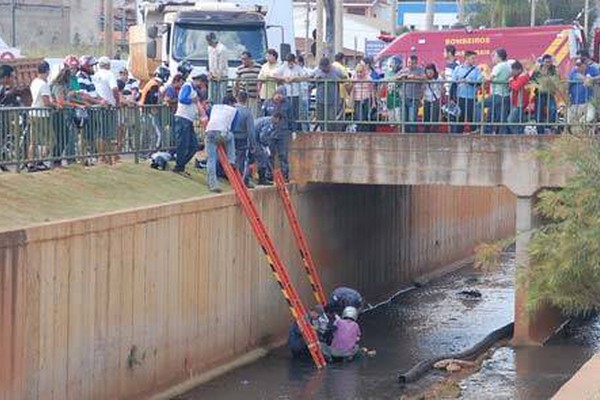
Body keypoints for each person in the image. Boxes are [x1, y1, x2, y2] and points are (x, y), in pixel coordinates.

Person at [172, 72, 205, 176]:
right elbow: (181, 99)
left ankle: (181, 165)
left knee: (194, 145)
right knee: (183, 144)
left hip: (188, 120)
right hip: (183, 118)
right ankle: (179, 167)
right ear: (199, 81)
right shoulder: (187, 86)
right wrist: (192, 100)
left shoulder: (194, 89)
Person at [204, 94, 238, 193]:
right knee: (231, 136)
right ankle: (231, 160)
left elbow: (208, 114)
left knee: (211, 159)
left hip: (210, 132)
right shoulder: (233, 111)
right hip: (222, 133)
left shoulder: (215, 107)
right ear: (231, 103)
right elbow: (233, 127)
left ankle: (213, 184)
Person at [262, 87, 293, 180]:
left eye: (281, 94)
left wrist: (293, 130)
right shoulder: (267, 103)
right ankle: (269, 175)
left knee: (283, 155)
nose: (279, 96)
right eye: (278, 94)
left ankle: (285, 175)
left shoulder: (288, 104)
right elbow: (263, 117)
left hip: (282, 133)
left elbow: (291, 118)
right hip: (270, 133)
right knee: (269, 154)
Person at [94, 56, 121, 164]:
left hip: (97, 105)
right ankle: (108, 157)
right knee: (109, 133)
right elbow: (114, 88)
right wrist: (117, 101)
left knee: (100, 133)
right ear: (108, 65)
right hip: (109, 106)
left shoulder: (95, 75)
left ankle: (102, 156)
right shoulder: (110, 74)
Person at [29, 61, 55, 169]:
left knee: (33, 141)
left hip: (33, 112)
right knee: (51, 140)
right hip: (42, 115)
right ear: (47, 71)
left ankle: (31, 163)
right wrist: (55, 105)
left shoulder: (34, 82)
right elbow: (46, 102)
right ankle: (42, 162)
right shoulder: (44, 84)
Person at [450, 50, 483, 134]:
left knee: (472, 119)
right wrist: (451, 98)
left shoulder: (476, 70)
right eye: (472, 58)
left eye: (475, 58)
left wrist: (468, 81)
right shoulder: (458, 69)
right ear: (466, 58)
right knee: (459, 119)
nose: (474, 60)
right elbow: (453, 84)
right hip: (459, 98)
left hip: (471, 98)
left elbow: (479, 82)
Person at [140, 65, 170, 150]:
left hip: (146, 111)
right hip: (148, 111)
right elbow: (153, 99)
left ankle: (149, 150)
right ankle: (153, 150)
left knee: (150, 132)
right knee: (155, 132)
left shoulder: (152, 83)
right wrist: (156, 107)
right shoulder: (154, 85)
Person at [310, 57, 345, 131]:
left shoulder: (336, 70)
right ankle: (323, 133)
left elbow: (345, 78)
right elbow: (310, 78)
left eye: (325, 68)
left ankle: (331, 134)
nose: (323, 70)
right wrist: (315, 79)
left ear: (329, 65)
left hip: (332, 100)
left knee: (331, 120)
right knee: (321, 119)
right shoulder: (317, 70)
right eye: (321, 68)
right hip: (320, 99)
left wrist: (336, 79)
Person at [50, 67, 77, 166]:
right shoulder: (59, 86)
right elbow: (60, 101)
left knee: (63, 137)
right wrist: (73, 105)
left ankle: (57, 158)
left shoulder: (62, 86)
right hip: (56, 114)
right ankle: (55, 159)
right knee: (62, 137)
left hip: (60, 113)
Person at [274, 53, 306, 132]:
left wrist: (295, 78)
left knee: (295, 113)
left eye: (291, 62)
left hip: (295, 94)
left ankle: (295, 129)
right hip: (285, 95)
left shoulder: (297, 68)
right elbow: (274, 74)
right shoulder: (283, 67)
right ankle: (285, 128)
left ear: (294, 61)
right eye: (288, 62)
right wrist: (283, 78)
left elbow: (305, 76)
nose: (290, 64)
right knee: (284, 112)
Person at [567, 57, 598, 133]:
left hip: (588, 102)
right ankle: (576, 135)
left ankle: (583, 129)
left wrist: (592, 79)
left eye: (580, 65)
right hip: (574, 103)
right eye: (577, 65)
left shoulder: (592, 70)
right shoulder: (573, 72)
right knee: (569, 121)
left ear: (585, 65)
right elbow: (567, 85)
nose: (578, 66)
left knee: (589, 117)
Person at [232, 91, 255, 188]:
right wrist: (253, 144)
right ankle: (241, 180)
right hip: (242, 138)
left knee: (231, 157)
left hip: (231, 136)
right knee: (241, 160)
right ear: (247, 100)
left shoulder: (232, 109)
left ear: (237, 98)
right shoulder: (247, 112)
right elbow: (251, 130)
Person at [485, 48, 511, 134]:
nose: (492, 58)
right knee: (502, 117)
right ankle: (501, 135)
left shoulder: (498, 66)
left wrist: (484, 75)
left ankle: (485, 132)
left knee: (479, 106)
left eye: (494, 56)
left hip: (497, 95)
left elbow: (489, 78)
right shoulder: (508, 65)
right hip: (505, 95)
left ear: (499, 57)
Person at [531, 54, 559, 134]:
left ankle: (549, 126)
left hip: (550, 94)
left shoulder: (553, 70)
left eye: (550, 62)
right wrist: (538, 85)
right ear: (543, 62)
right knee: (538, 114)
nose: (548, 64)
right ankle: (540, 132)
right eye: (546, 62)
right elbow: (532, 80)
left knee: (553, 109)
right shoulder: (537, 70)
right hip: (539, 94)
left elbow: (557, 80)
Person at [397, 55, 425, 133]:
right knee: (403, 119)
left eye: (412, 63)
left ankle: (413, 136)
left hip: (414, 98)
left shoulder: (420, 70)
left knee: (412, 119)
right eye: (408, 62)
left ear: (416, 63)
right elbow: (395, 78)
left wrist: (414, 77)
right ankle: (404, 135)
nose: (409, 64)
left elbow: (425, 78)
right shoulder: (403, 70)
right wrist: (400, 77)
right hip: (403, 97)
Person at [253, 113, 281, 185]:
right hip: (255, 139)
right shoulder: (269, 123)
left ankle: (250, 176)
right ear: (276, 118)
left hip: (252, 137)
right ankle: (262, 179)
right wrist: (265, 145)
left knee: (251, 158)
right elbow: (262, 136)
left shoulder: (266, 119)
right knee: (263, 158)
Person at [507, 61, 532, 134]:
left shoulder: (524, 76)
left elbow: (516, 86)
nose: (511, 72)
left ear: (519, 70)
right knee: (519, 121)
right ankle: (520, 135)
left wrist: (511, 81)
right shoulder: (516, 77)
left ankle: (517, 135)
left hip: (520, 103)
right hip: (516, 102)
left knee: (510, 120)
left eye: (513, 70)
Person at [235, 51, 262, 116]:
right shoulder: (240, 69)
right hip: (243, 97)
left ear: (250, 59)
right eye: (242, 59)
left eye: (245, 59)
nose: (243, 61)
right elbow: (237, 82)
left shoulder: (259, 67)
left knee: (253, 115)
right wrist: (236, 95)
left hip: (254, 97)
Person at [350, 62, 375, 132]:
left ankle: (365, 132)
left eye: (360, 72)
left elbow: (372, 91)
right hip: (357, 100)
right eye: (357, 72)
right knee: (358, 118)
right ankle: (359, 132)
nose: (359, 74)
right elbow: (352, 89)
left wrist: (373, 102)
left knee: (365, 118)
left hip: (366, 99)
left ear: (364, 71)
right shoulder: (354, 78)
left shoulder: (368, 78)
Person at [206, 32, 229, 104]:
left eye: (209, 40)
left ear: (213, 40)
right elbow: (210, 62)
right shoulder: (209, 48)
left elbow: (221, 64)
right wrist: (210, 73)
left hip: (222, 76)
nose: (208, 43)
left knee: (222, 97)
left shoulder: (222, 49)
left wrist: (219, 75)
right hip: (212, 76)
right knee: (212, 98)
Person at [423, 63, 442, 133]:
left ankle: (434, 130)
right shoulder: (424, 79)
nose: (430, 73)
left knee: (435, 116)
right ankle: (426, 130)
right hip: (426, 98)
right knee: (426, 115)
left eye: (431, 71)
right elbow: (422, 89)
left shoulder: (438, 79)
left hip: (435, 98)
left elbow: (442, 89)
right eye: (428, 72)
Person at [385, 56, 404, 126]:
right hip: (390, 96)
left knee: (398, 115)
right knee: (391, 117)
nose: (392, 65)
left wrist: (399, 77)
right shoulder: (388, 72)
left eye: (394, 63)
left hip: (398, 97)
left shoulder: (402, 72)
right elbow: (387, 79)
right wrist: (396, 78)